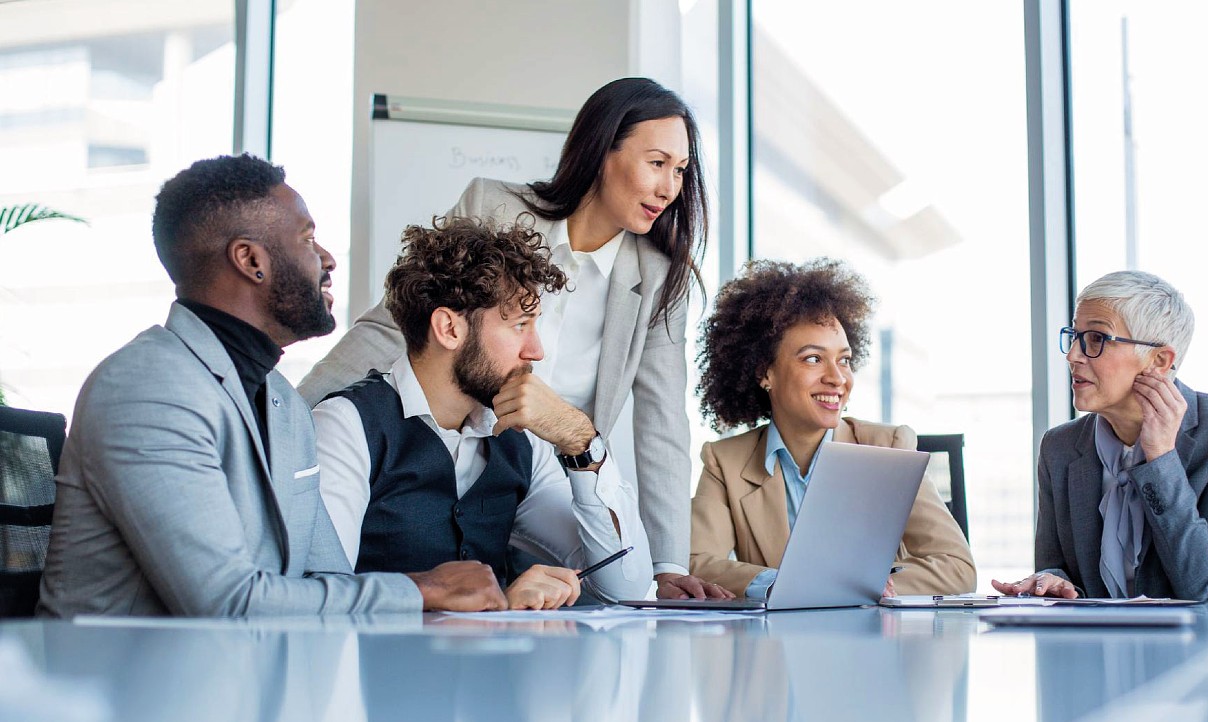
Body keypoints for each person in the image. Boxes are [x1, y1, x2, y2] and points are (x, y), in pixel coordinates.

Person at [38, 154, 509, 617]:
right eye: (308, 240)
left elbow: (329, 579)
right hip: (127, 686)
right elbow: (226, 602)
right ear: (251, 260)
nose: (326, 259)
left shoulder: (282, 399)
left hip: (240, 676)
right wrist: (423, 589)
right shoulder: (148, 389)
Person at [297, 77, 714, 598]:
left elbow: (662, 422)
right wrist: (290, 421)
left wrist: (667, 565)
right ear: (602, 150)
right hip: (458, 447)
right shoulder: (494, 205)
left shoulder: (657, 273)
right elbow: (396, 322)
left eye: (680, 171)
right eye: (657, 163)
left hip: (549, 475)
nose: (670, 188)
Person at [312, 217, 653, 608]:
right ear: (449, 329)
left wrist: (580, 440)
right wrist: (500, 603)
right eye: (520, 326)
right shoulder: (345, 426)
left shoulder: (521, 443)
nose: (536, 350)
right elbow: (322, 597)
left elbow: (626, 585)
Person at [689, 259, 976, 598]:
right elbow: (697, 563)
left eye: (844, 359)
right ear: (764, 372)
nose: (837, 378)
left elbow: (957, 567)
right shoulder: (726, 461)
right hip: (777, 645)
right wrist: (782, 583)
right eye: (813, 358)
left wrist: (859, 587)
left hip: (871, 643)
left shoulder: (888, 447)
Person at [993, 271, 1208, 602]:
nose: (1073, 356)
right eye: (1075, 336)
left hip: (1207, 644)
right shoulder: (1060, 447)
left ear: (1159, 360)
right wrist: (1053, 581)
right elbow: (1057, 567)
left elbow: (1206, 586)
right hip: (1099, 644)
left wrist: (1161, 458)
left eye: (1096, 339)